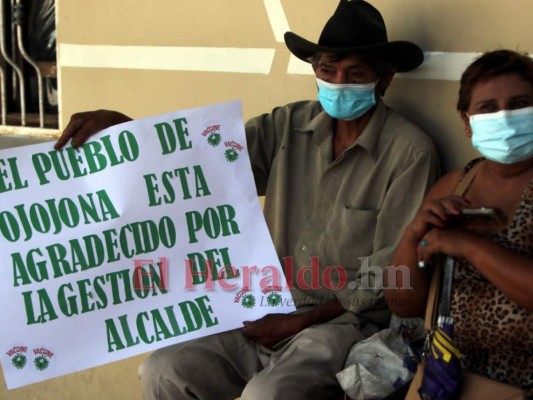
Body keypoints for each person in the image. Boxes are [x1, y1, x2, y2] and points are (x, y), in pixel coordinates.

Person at [56, 1, 439, 399]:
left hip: (344, 322)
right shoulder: (287, 126)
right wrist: (126, 131)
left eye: (355, 73)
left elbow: (390, 268)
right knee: (162, 370)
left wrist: (300, 320)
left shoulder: (410, 152)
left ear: (384, 79)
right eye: (328, 70)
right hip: (263, 303)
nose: (338, 82)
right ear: (315, 71)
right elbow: (200, 165)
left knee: (265, 394)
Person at [384, 49, 533, 392]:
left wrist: (467, 245)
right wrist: (413, 236)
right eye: (488, 108)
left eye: (520, 103)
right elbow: (400, 303)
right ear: (467, 122)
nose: (505, 118)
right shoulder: (455, 184)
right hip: (445, 381)